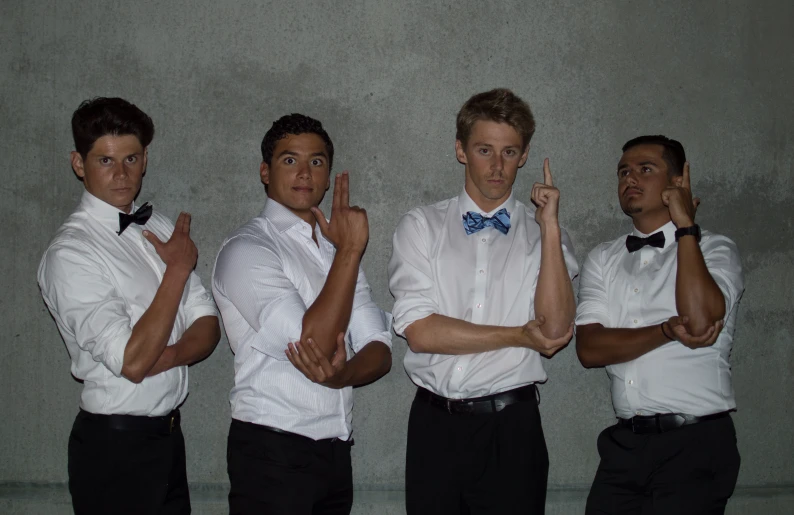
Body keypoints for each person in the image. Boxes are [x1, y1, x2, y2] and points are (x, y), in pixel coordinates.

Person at [388, 88, 579, 514]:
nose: (497, 166)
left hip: (512, 427)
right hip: (433, 425)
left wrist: (548, 228)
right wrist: (516, 335)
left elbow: (553, 330)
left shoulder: (546, 236)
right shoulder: (421, 226)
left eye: (509, 152)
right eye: (484, 150)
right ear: (461, 150)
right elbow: (421, 332)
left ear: (525, 155)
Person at [37, 96, 221, 515]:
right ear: (78, 164)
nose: (121, 174)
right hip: (114, 447)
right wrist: (177, 271)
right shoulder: (71, 253)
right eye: (105, 160)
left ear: (145, 159)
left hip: (169, 436)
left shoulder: (157, 224)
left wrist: (170, 354)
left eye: (131, 158)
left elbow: (208, 324)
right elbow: (133, 361)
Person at [212, 113, 393, 515]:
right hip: (272, 451)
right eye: (289, 160)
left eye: (317, 162)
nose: (305, 173)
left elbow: (379, 348)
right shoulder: (246, 248)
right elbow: (314, 344)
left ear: (328, 176)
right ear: (265, 171)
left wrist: (343, 375)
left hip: (335, 452)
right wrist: (350, 250)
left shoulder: (333, 251)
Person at [575, 135, 744, 514]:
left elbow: (700, 322)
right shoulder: (603, 258)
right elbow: (589, 349)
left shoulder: (716, 249)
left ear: (678, 182)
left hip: (696, 443)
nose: (629, 179)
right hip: (624, 445)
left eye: (645, 169)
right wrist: (666, 330)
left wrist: (686, 230)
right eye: (623, 172)